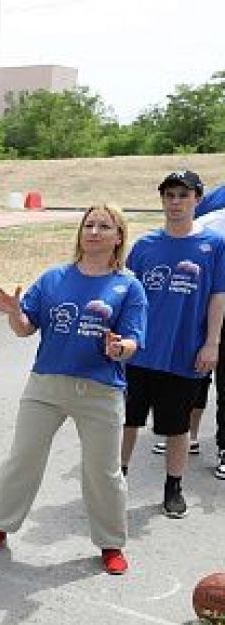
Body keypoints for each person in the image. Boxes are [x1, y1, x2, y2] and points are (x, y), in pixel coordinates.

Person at [0, 205, 146, 575]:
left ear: (119, 237)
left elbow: (133, 342)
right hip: (46, 385)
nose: (95, 231)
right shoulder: (54, 278)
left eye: (105, 226)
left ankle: (111, 543)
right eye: (89, 224)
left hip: (101, 390)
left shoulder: (128, 286)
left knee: (103, 471)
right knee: (23, 458)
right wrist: (13, 313)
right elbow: (25, 328)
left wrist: (119, 349)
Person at [119, 171, 225, 518]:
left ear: (197, 199)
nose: (175, 202)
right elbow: (127, 295)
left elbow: (217, 298)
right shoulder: (145, 246)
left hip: (184, 354)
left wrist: (212, 343)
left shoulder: (214, 246)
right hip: (139, 353)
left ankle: (173, 487)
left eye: (183, 195)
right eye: (169, 195)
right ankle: (116, 481)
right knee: (127, 422)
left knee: (177, 427)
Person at [192, 205, 225, 480]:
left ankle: (224, 448)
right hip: (206, 312)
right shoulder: (210, 223)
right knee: (193, 377)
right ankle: (183, 434)